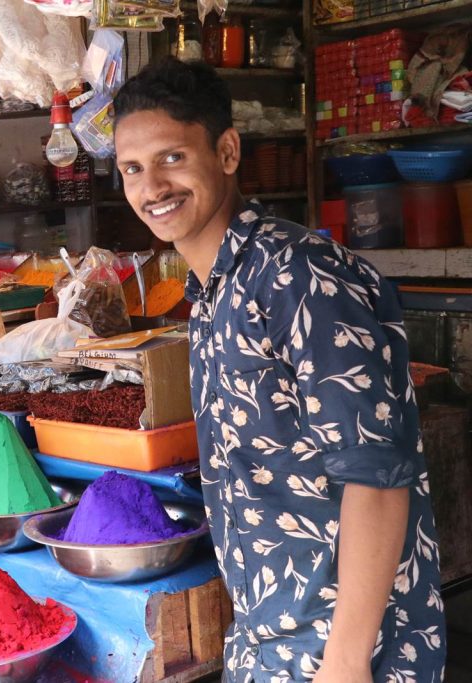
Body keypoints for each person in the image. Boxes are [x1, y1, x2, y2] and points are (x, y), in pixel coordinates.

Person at [112, 57, 446, 682]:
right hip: (271, 640)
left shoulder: (301, 277)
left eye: (172, 158)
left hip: (348, 649)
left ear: (228, 152)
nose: (151, 186)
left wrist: (345, 664)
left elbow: (376, 477)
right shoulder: (211, 292)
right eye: (133, 168)